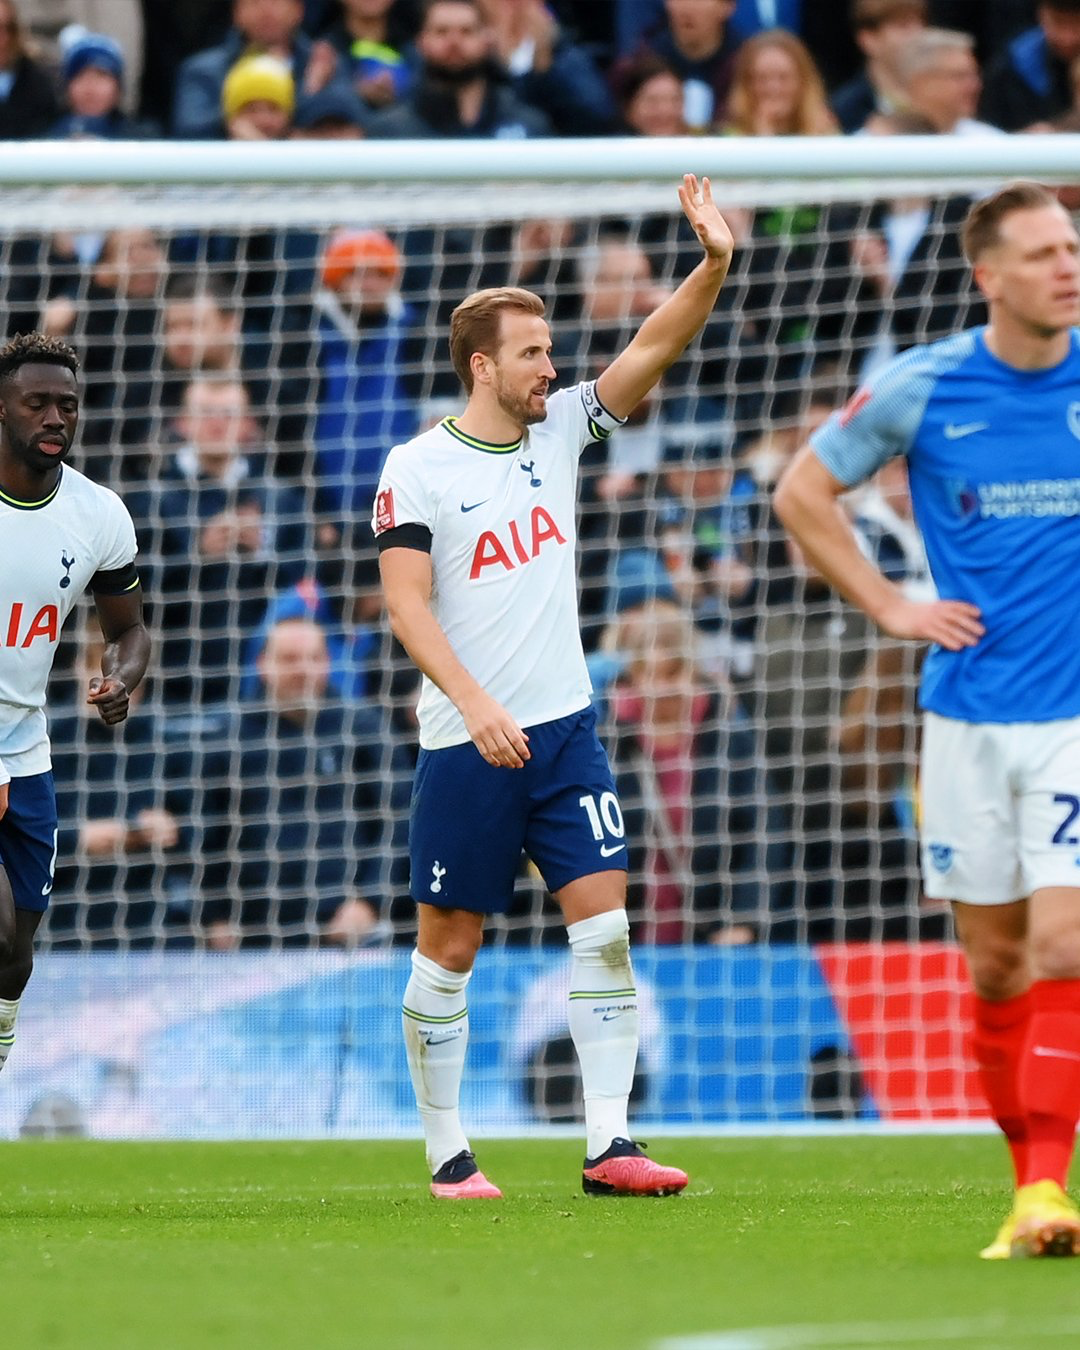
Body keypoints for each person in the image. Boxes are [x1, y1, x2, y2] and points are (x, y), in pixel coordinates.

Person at [372, 172, 733, 1198]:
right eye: (533, 351)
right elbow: (407, 604)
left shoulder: (562, 431)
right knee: (448, 950)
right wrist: (476, 703)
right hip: (466, 740)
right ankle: (447, 1152)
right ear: (483, 365)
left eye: (552, 349)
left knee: (605, 928)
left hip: (567, 734)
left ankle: (610, 1145)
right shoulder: (417, 467)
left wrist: (715, 263)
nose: (553, 365)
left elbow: (654, 345)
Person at [773, 181, 1080, 1259]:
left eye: (1072, 247)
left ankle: (1048, 1188)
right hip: (963, 718)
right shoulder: (927, 385)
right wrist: (891, 605)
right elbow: (802, 494)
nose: (1068, 266)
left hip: (1073, 718)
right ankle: (1030, 1194)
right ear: (989, 275)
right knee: (996, 968)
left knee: (1064, 941)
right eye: (1042, 253)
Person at [0, 331, 150, 1071]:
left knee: (13, 961)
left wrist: (120, 678)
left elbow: (129, 630)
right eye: (37, 403)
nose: (55, 417)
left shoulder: (98, 515)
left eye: (67, 404)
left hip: (26, 754)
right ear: (2, 409)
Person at [366, 0, 551, 139]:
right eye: (441, 31)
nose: (454, 42)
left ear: (487, 40)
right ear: (421, 42)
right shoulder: (390, 131)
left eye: (467, 31)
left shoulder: (528, 124)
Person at [979, 0, 1080, 132]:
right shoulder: (1012, 67)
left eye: (1077, 24)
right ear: (1041, 15)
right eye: (1058, 22)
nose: (1068, 37)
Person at [831, 0, 927, 135]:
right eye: (903, 26)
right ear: (868, 39)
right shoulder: (844, 109)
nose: (919, 35)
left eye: (921, 24)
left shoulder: (943, 96)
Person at [722, 28, 837, 137]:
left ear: (803, 81)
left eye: (783, 77)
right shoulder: (728, 142)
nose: (773, 88)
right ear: (746, 84)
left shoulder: (826, 135)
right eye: (762, 78)